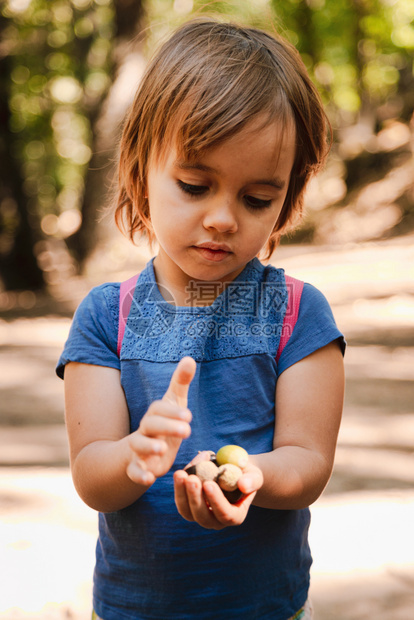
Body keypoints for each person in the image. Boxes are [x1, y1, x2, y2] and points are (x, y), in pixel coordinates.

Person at [57, 17, 345, 620]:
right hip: (134, 607)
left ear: (286, 200)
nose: (222, 218)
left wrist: (246, 479)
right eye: (194, 185)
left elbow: (309, 462)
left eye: (257, 198)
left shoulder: (298, 313)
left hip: (266, 607)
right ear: (140, 175)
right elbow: (91, 474)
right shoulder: (106, 318)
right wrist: (137, 455)